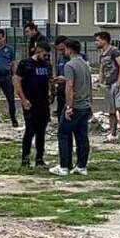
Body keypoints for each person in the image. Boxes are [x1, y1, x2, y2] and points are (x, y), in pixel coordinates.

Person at [52, 40, 93, 176]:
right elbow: (87, 84)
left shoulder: (69, 65)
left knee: (63, 134)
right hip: (85, 105)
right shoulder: (85, 64)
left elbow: (70, 86)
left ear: (69, 49)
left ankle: (64, 166)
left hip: (75, 105)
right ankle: (81, 166)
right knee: (82, 136)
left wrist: (69, 107)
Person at [15, 41, 52, 168]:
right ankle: (25, 159)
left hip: (43, 102)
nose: (46, 57)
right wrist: (23, 99)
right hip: (30, 102)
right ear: (38, 51)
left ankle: (39, 159)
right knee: (30, 130)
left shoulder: (47, 65)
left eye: (48, 55)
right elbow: (17, 81)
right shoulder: (25, 64)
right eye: (44, 55)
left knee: (41, 131)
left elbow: (49, 80)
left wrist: (52, 92)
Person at [95, 31, 120, 141]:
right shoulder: (102, 54)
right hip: (108, 85)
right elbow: (102, 69)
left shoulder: (114, 51)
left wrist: (119, 81)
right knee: (111, 110)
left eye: (98, 40)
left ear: (104, 40)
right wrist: (100, 81)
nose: (96, 42)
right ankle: (112, 133)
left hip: (117, 83)